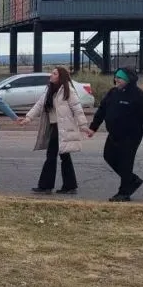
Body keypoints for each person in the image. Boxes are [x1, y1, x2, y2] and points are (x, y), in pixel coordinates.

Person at [19, 67, 89, 195]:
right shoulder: (49, 90)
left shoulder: (68, 90)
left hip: (63, 128)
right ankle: (69, 186)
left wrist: (83, 125)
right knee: (64, 156)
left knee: (52, 156)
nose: (51, 75)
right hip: (54, 127)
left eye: (54, 73)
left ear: (61, 76)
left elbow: (77, 109)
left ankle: (47, 186)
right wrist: (28, 118)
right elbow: (39, 105)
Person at [87, 67, 143, 202]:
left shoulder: (140, 96)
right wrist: (93, 127)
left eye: (120, 78)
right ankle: (132, 180)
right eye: (116, 77)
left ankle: (124, 193)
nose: (116, 79)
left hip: (131, 136)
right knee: (108, 156)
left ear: (129, 79)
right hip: (113, 134)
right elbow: (102, 110)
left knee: (126, 163)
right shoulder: (112, 92)